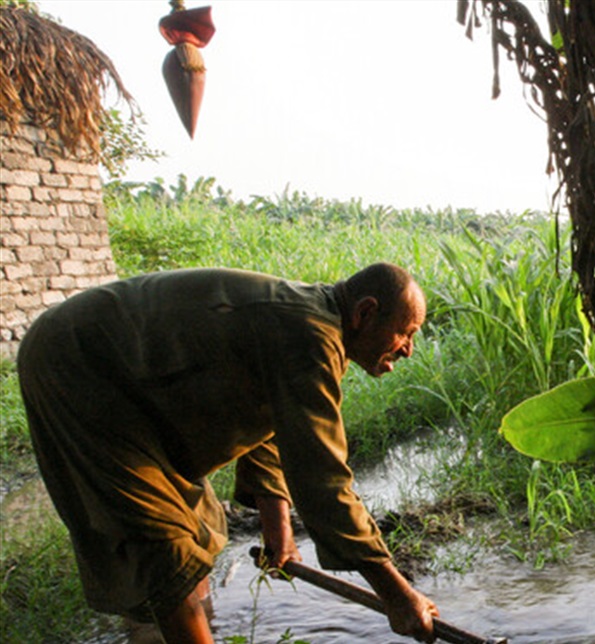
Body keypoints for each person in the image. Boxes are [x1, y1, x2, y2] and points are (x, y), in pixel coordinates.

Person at [16, 262, 439, 643]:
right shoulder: (310, 334)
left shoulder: (315, 328)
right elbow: (323, 480)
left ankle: (184, 628)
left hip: (131, 384)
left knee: (197, 523)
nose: (408, 349)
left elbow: (272, 422)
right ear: (365, 312)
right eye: (406, 333)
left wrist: (277, 528)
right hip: (77, 363)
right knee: (163, 542)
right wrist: (396, 594)